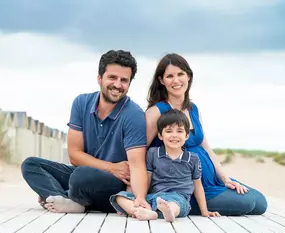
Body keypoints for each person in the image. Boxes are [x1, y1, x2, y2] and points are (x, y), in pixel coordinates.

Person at [21, 50, 151, 213]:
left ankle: (61, 197)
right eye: (112, 77)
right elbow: (74, 155)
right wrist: (111, 167)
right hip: (91, 172)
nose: (117, 85)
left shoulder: (134, 115)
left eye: (124, 80)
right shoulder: (81, 103)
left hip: (112, 184)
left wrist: (139, 198)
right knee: (31, 165)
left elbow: (137, 165)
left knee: (81, 176)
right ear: (99, 78)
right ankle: (67, 199)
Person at [145, 53, 268, 216]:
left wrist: (225, 178)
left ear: (188, 76)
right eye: (170, 76)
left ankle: (187, 200)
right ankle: (176, 204)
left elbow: (206, 148)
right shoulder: (156, 112)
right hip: (185, 186)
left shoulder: (193, 109)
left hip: (210, 180)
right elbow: (140, 150)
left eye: (180, 74)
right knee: (248, 203)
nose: (176, 80)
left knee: (259, 203)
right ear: (161, 80)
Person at [110, 109, 220, 222]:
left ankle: (167, 212)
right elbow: (147, 178)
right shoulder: (153, 153)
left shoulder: (192, 158)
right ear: (160, 135)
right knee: (120, 196)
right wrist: (141, 198)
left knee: (174, 205)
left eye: (179, 131)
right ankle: (141, 211)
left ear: (186, 135)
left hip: (178, 198)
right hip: (154, 197)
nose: (174, 135)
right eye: (169, 131)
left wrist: (204, 211)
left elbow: (198, 186)